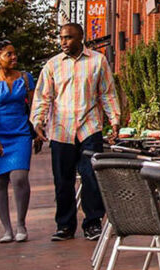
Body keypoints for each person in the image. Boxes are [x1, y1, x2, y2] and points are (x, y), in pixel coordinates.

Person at [30, 22, 120, 242]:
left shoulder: (97, 61)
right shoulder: (52, 65)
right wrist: (38, 122)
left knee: (91, 177)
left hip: (89, 127)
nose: (63, 42)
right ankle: (65, 225)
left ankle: (92, 223)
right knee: (63, 180)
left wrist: (115, 120)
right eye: (61, 38)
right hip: (61, 130)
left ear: (80, 38)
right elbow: (43, 97)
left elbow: (107, 93)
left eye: (68, 38)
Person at [0, 39, 39, 243]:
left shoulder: (26, 78)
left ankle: (21, 223)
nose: (14, 58)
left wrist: (37, 130)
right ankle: (6, 229)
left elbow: (34, 107)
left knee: (20, 177)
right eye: (8, 55)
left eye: (14, 53)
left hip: (20, 133)